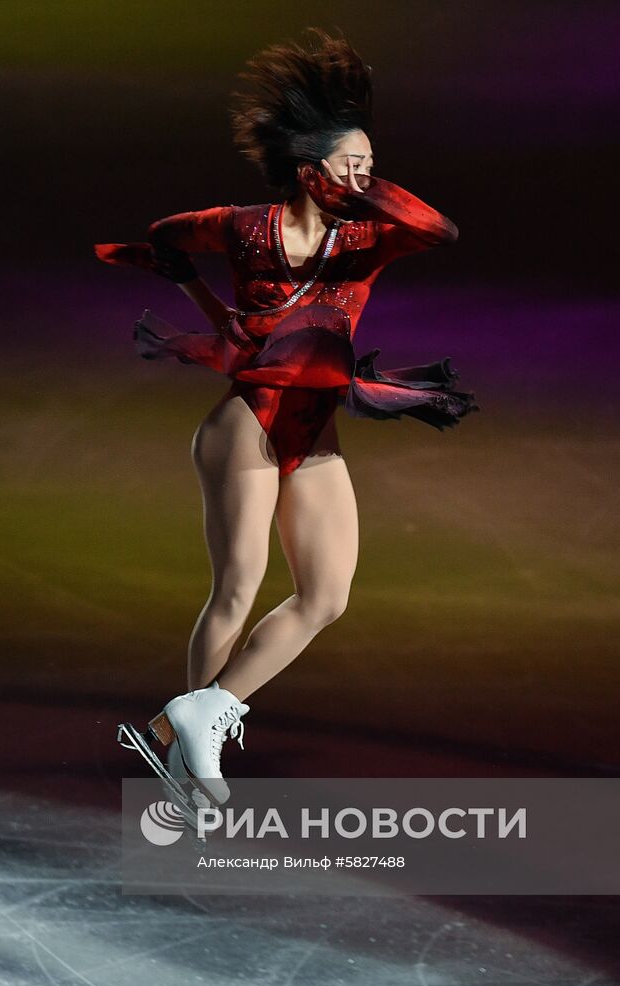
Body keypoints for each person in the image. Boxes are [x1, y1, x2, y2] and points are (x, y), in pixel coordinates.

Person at [96, 30, 476, 807]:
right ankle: (191, 756)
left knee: (325, 596)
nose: (369, 177)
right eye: (355, 164)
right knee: (235, 590)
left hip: (315, 432)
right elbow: (170, 233)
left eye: (372, 167)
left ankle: (189, 724)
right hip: (246, 427)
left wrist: (368, 192)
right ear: (312, 170)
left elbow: (439, 231)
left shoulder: (364, 240)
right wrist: (194, 287)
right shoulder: (244, 228)